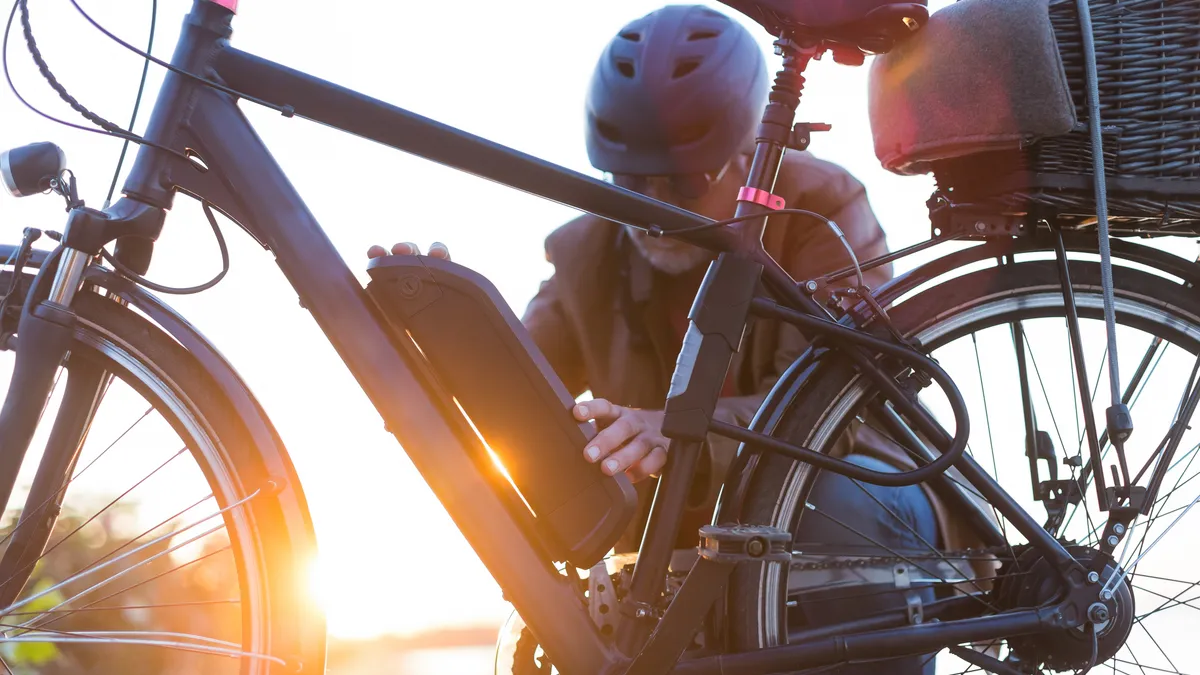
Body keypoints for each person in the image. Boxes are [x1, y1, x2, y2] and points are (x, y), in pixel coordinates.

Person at [371, 6, 959, 673]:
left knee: (822, 506)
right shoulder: (586, 250)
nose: (651, 207)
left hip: (856, 497)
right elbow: (522, 392)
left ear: (746, 155)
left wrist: (674, 431)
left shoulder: (820, 209)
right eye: (628, 181)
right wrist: (438, 340)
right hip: (691, 537)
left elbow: (835, 414)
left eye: (680, 181)